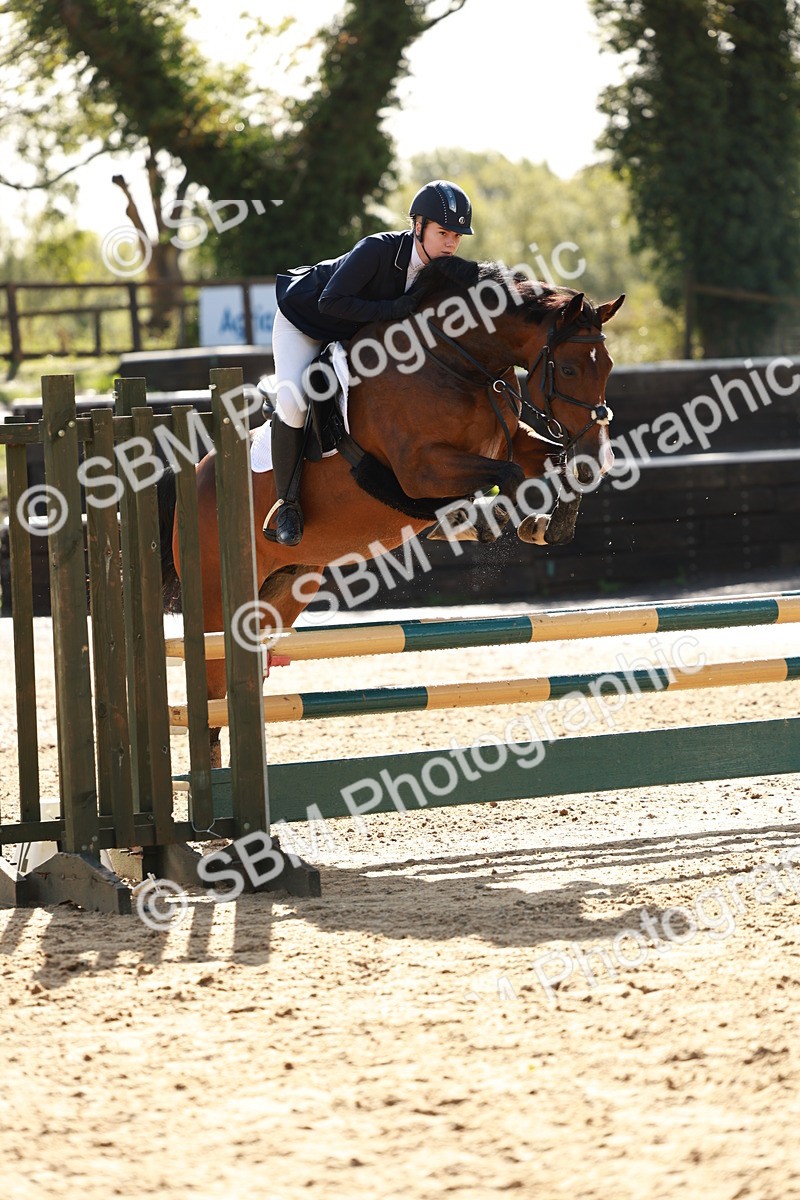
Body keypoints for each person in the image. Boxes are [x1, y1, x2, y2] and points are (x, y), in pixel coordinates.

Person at [258, 179, 474, 546]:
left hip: (353, 334)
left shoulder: (442, 273)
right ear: (418, 226)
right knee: (294, 401)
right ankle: (288, 505)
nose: (451, 244)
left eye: (457, 236)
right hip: (306, 322)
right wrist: (393, 309)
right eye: (443, 233)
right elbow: (331, 301)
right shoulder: (377, 249)